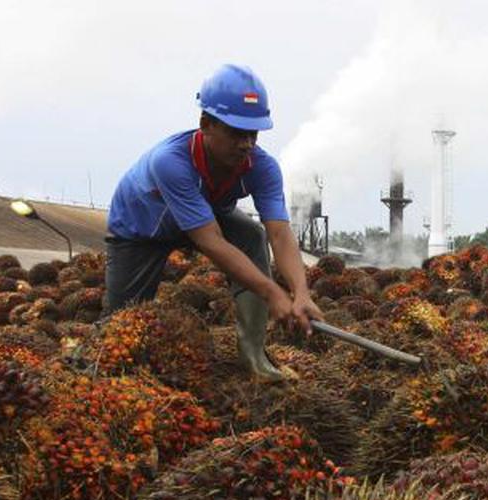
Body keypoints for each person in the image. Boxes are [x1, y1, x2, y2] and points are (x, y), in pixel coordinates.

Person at [104, 63, 323, 380]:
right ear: (206, 124)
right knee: (119, 326)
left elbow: (279, 232)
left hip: (205, 212)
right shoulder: (172, 162)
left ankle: (254, 355)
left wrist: (300, 291)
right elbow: (210, 241)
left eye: (253, 133)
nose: (246, 144)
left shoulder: (262, 167)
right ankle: (97, 369)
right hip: (142, 229)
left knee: (251, 235)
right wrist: (272, 292)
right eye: (237, 133)